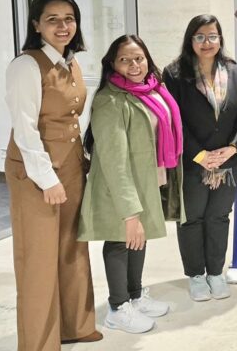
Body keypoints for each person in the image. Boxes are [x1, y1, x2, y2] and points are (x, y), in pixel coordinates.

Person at [4, 0, 101, 348]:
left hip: (72, 167)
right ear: (36, 25)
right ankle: (39, 342)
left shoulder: (69, 62)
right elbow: (26, 129)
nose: (63, 26)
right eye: (53, 19)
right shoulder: (26, 66)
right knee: (39, 258)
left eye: (69, 18)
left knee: (72, 248)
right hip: (36, 173)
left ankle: (75, 325)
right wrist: (47, 180)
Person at [79, 35, 184, 334]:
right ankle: (118, 307)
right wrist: (129, 210)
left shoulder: (154, 88)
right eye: (124, 60)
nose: (134, 65)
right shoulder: (110, 99)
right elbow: (114, 160)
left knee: (140, 236)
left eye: (139, 58)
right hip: (120, 183)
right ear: (112, 64)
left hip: (147, 176)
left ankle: (135, 295)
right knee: (120, 240)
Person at [163, 14, 237, 302]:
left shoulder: (234, 71)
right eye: (200, 36)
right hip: (192, 160)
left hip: (228, 161)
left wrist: (233, 147)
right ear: (190, 40)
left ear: (220, 39)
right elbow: (173, 119)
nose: (207, 42)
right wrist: (199, 154)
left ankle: (215, 272)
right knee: (192, 218)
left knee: (219, 216)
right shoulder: (174, 73)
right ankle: (196, 275)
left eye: (212, 36)